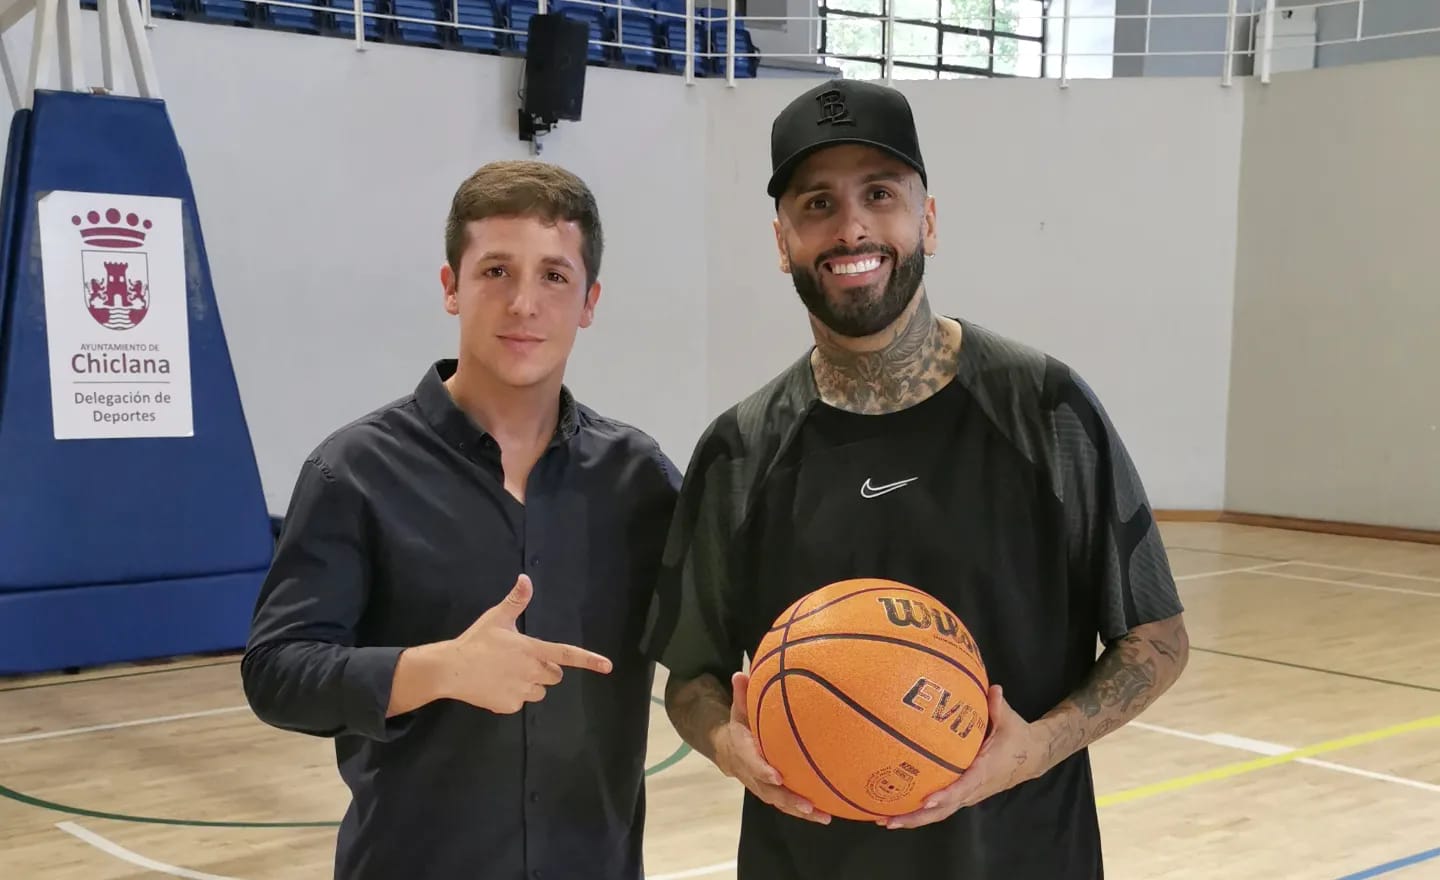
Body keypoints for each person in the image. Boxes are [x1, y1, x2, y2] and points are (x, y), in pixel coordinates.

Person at [641, 78, 1190, 879]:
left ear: (927, 219)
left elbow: (1158, 641)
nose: (852, 225)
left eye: (880, 193)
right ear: (783, 239)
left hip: (1021, 856)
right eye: (817, 204)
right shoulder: (741, 449)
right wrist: (729, 743)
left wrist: (1038, 747)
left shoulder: (1045, 408)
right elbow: (691, 676)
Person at [242, 160, 680, 880]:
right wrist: (438, 668)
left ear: (590, 301)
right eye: (497, 272)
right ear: (452, 287)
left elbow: (711, 634)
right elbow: (276, 673)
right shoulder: (354, 472)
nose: (524, 305)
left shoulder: (639, 478)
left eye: (554, 277)